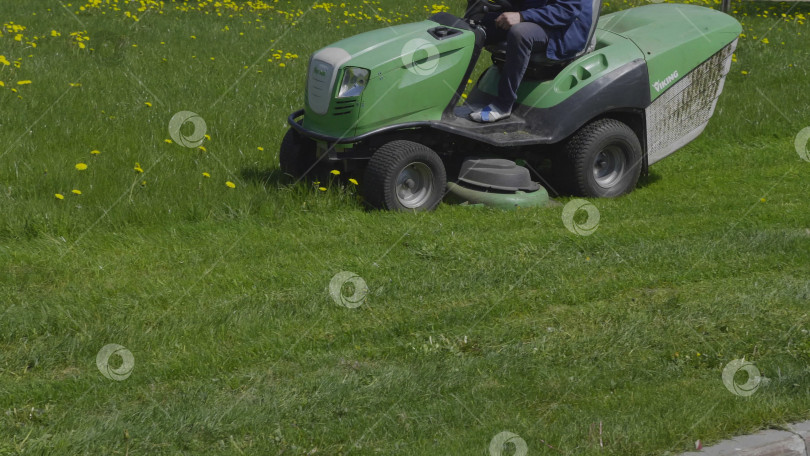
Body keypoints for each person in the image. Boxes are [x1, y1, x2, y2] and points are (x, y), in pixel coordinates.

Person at [470, 0, 593, 123]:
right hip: (537, 17)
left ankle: (503, 105)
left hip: (563, 30)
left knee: (520, 33)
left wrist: (522, 16)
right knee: (474, 22)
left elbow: (566, 11)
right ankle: (453, 94)